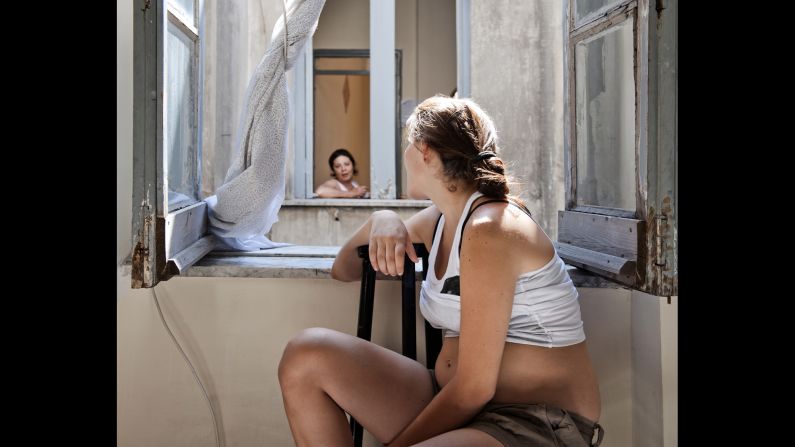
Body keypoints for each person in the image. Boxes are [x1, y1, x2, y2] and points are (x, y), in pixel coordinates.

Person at [279, 95, 603, 447]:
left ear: (425, 152)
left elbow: (476, 387)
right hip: (454, 400)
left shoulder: (490, 227)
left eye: (407, 146)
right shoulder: (440, 221)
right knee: (306, 355)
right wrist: (381, 219)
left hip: (532, 419)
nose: (404, 157)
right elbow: (344, 269)